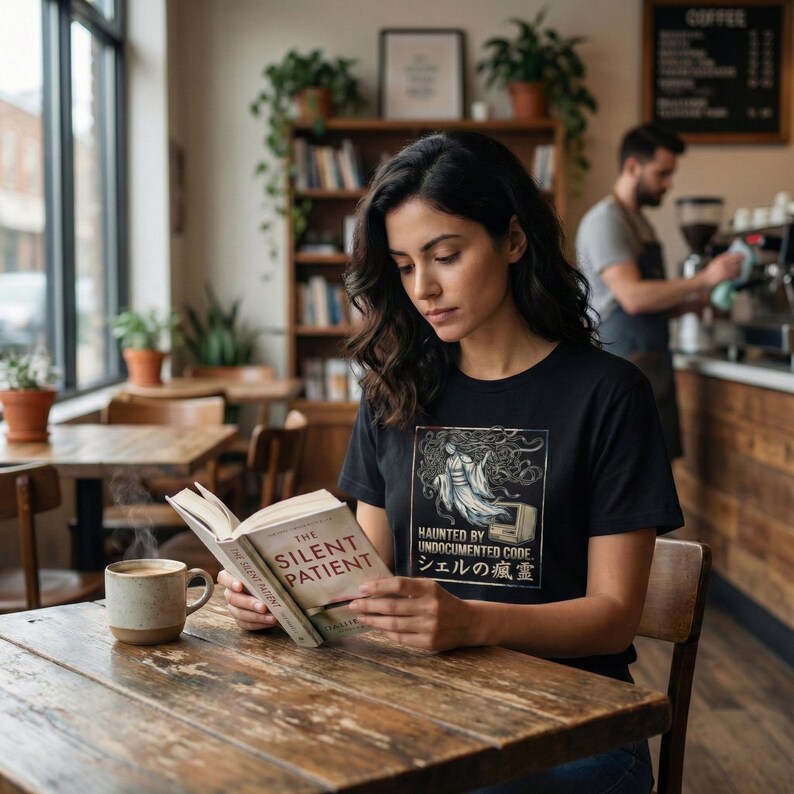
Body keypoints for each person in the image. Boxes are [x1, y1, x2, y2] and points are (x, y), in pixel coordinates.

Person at [218, 130, 684, 793]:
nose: (424, 287)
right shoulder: (395, 391)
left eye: (445, 255)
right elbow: (366, 578)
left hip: (571, 725)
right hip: (417, 707)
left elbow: (614, 614)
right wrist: (275, 593)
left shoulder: (609, 394)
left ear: (513, 240)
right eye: (405, 266)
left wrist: (472, 622)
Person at [576, 122, 743, 460]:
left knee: (656, 471)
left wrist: (692, 306)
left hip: (652, 364)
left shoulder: (640, 222)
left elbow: (651, 301)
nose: (667, 184)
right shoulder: (606, 221)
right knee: (630, 471)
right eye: (661, 174)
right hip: (622, 364)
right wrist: (706, 278)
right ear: (632, 166)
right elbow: (633, 298)